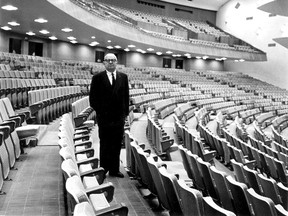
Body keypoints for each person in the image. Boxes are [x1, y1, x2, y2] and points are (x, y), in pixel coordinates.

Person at [89, 53, 129, 178]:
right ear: (104, 63)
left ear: (117, 62)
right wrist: (101, 112)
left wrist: (125, 114)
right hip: (104, 117)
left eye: (113, 60)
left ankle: (114, 169)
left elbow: (126, 97)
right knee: (105, 143)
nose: (111, 62)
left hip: (118, 118)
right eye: (108, 60)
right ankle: (104, 168)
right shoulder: (97, 78)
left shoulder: (124, 77)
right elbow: (93, 99)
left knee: (116, 143)